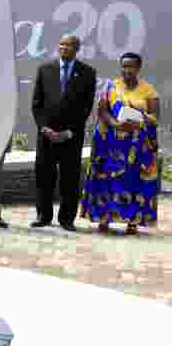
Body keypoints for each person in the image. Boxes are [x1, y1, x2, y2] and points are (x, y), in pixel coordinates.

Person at [80, 52, 160, 235]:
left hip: (135, 146)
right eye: (124, 66)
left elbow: (155, 117)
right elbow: (102, 111)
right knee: (107, 181)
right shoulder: (110, 87)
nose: (127, 70)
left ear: (138, 68)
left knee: (133, 182)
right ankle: (104, 218)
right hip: (110, 145)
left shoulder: (149, 90)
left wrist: (139, 120)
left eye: (131, 66)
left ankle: (132, 222)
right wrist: (117, 124)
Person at [30, 35, 97, 231]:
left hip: (71, 136)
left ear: (77, 49)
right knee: (44, 176)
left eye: (69, 45)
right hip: (46, 136)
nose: (64, 48)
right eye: (61, 44)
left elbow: (86, 107)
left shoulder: (87, 73)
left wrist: (69, 131)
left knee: (70, 178)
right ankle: (43, 215)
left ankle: (67, 219)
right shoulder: (45, 69)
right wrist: (44, 128)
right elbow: (36, 103)